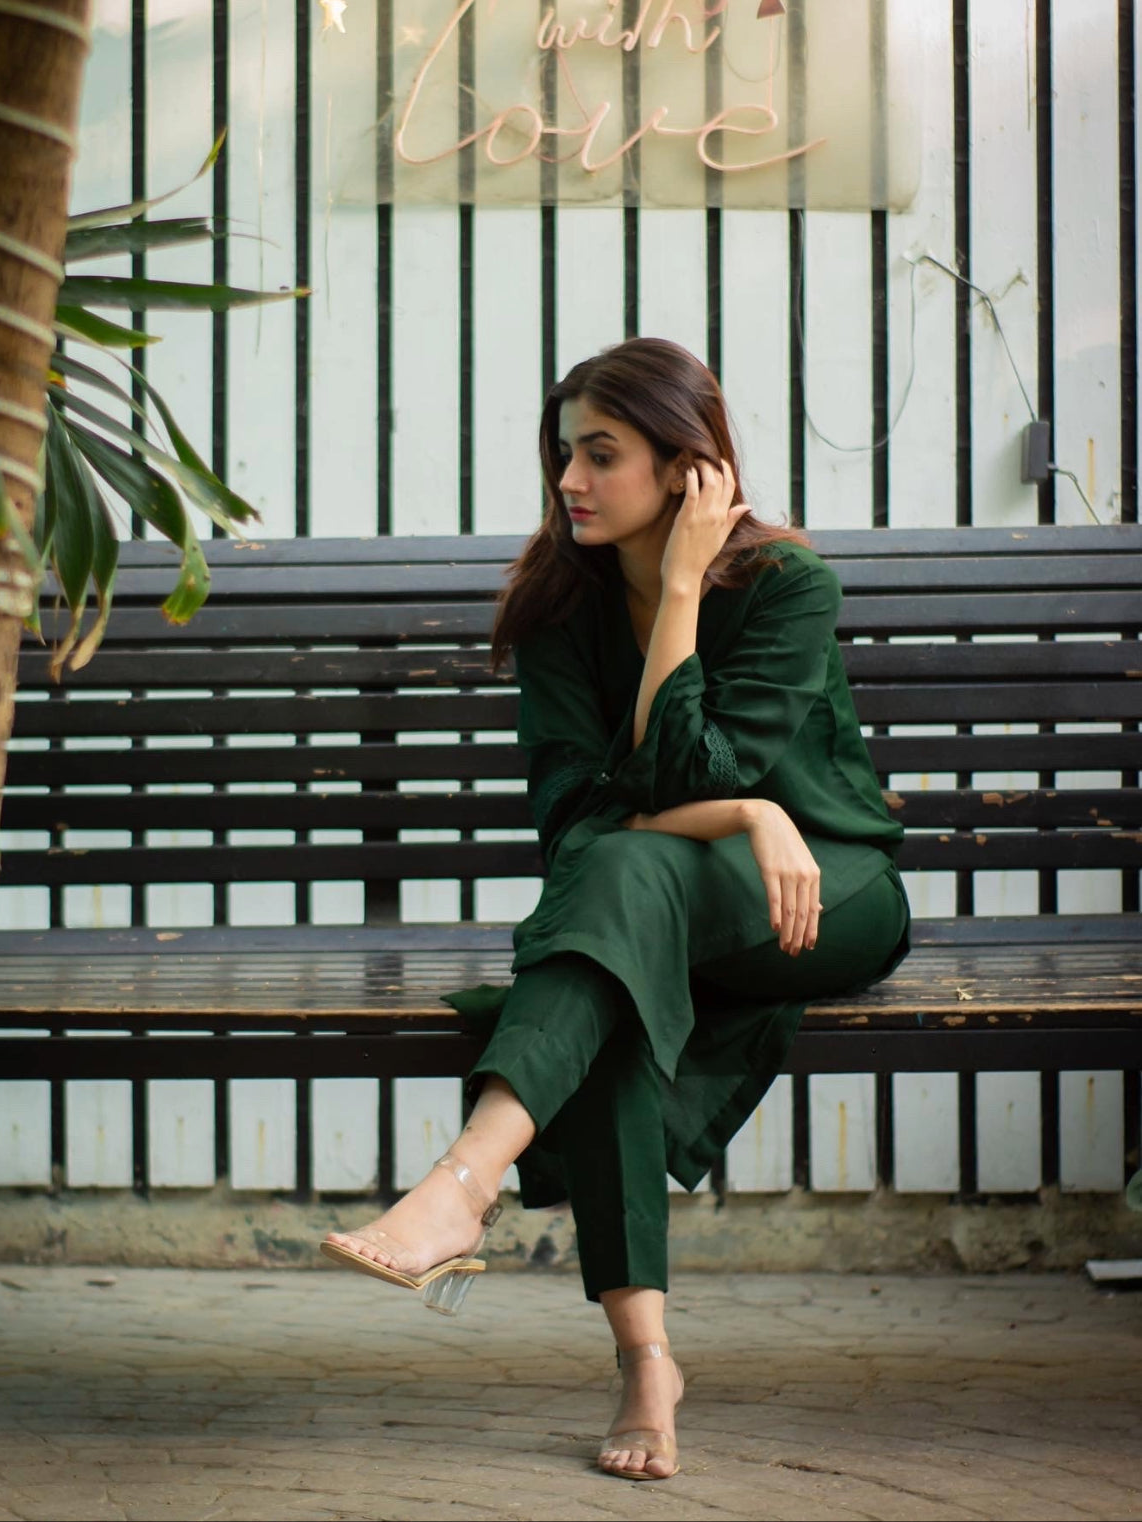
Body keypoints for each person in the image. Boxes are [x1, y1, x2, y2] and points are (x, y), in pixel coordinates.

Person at [321, 337, 911, 1482]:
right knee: (618, 968)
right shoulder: (558, 610)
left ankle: (461, 1185)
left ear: (688, 467)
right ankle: (647, 1361)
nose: (569, 481)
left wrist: (684, 589)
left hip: (826, 892)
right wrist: (744, 812)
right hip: (663, 893)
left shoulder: (787, 586)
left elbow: (670, 780)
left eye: (600, 454)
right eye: (563, 454)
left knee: (613, 918)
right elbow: (577, 824)